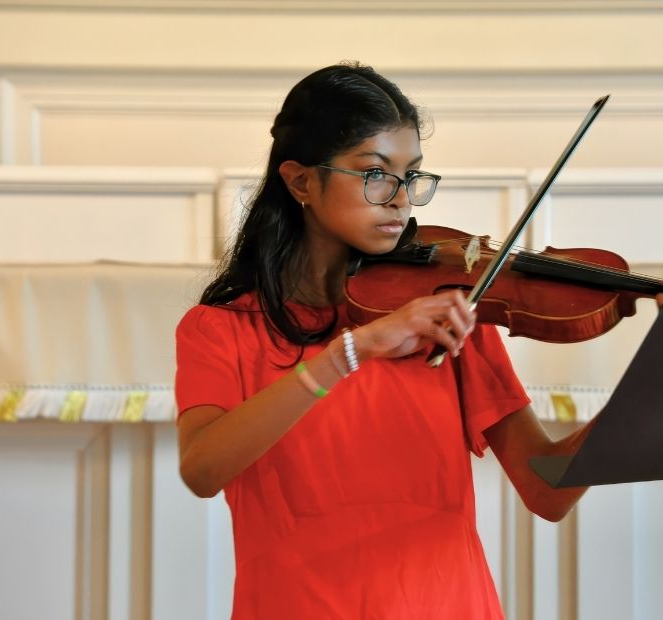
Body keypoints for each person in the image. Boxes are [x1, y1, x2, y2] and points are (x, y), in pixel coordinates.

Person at [175, 62, 598, 619]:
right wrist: (352, 351)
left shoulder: (449, 315)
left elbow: (549, 492)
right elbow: (203, 470)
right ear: (301, 180)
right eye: (376, 173)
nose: (401, 199)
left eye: (411, 175)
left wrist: (656, 382)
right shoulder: (221, 329)